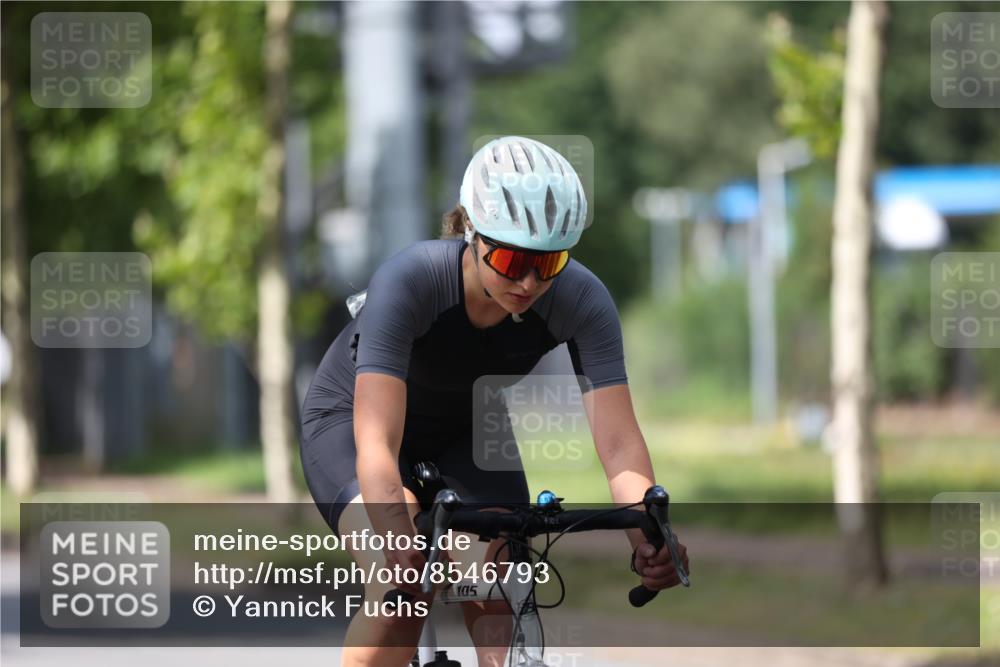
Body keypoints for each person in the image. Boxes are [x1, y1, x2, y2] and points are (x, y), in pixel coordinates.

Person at [300, 136, 688, 667]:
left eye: (547, 263)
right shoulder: (411, 280)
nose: (528, 282)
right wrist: (395, 534)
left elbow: (619, 444)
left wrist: (650, 533)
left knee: (505, 585)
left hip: (468, 428)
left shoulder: (582, 299)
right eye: (510, 258)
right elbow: (376, 441)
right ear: (470, 232)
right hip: (351, 423)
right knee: (402, 593)